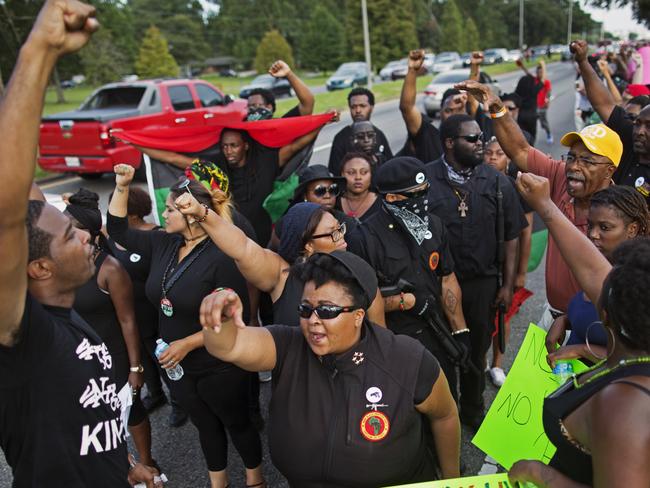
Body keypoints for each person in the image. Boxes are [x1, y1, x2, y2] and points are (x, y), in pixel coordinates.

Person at [0, 1, 156, 486]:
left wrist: (126, 468)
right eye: (70, 234)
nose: (86, 234)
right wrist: (40, 52)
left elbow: (26, 200)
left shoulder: (69, 319)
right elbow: (8, 211)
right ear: (38, 268)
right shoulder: (25, 335)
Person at [197, 251, 461, 486]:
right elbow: (229, 347)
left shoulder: (407, 361)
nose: (313, 321)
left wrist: (452, 481)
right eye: (305, 309)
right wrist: (220, 316)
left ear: (359, 316)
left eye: (326, 310)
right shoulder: (287, 346)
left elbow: (445, 415)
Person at [107, 165, 264, 488]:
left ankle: (255, 480)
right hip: (178, 366)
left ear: (191, 214)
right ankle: (218, 483)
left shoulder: (221, 255)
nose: (163, 214)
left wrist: (187, 344)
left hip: (218, 364)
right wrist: (122, 186)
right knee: (205, 426)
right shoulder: (164, 244)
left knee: (238, 424)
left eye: (170, 209)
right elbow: (118, 230)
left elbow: (237, 316)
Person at [509, 173, 650, 488]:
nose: (596, 284)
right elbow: (589, 267)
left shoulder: (626, 403)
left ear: (609, 314)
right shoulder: (631, 361)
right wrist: (545, 205)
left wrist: (543, 474)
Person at [456, 80, 622, 323]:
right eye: (572, 157)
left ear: (609, 171)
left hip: (596, 325)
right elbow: (520, 150)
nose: (574, 166)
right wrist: (498, 109)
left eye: (587, 161)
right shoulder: (559, 176)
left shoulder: (623, 213)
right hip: (552, 316)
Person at [424, 114, 527, 428]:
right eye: (471, 138)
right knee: (439, 352)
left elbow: (512, 235)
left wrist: (508, 285)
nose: (480, 142)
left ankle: (472, 408)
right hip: (439, 283)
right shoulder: (426, 179)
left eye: (480, 136)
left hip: (483, 282)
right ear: (450, 143)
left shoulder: (496, 181)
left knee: (476, 349)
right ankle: (443, 414)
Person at [347, 157, 469, 399]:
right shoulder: (365, 238)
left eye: (426, 191)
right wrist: (406, 302)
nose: (424, 198)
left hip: (436, 331)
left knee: (446, 401)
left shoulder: (434, 225)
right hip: (395, 340)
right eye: (416, 194)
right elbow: (359, 300)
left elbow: (447, 278)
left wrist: (460, 330)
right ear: (392, 198)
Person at [170, 193, 385, 328]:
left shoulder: (359, 272)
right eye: (332, 233)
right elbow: (242, 247)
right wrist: (201, 212)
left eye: (341, 229)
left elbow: (380, 334)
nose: (342, 238)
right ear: (308, 244)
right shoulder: (281, 274)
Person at [65, 188, 155, 467]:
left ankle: (147, 461)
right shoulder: (64, 266)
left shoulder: (110, 269)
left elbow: (128, 320)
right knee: (94, 415)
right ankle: (119, 464)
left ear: (88, 234)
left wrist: (136, 368)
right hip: (81, 355)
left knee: (132, 413)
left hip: (113, 354)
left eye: (69, 228)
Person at [134, 127, 321, 245]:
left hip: (266, 240)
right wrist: (133, 141)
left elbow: (296, 146)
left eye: (234, 145)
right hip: (230, 239)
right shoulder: (215, 169)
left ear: (245, 146)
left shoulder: (266, 161)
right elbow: (174, 159)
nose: (228, 151)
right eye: (224, 146)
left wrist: (322, 123)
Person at [105, 187, 188, 426]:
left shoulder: (157, 236)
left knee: (162, 357)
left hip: (154, 311)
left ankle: (179, 403)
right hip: (130, 312)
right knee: (141, 355)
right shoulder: (114, 238)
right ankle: (156, 393)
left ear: (132, 213)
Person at [545, 186, 650, 366]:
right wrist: (565, 319)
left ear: (632, 229)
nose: (593, 234)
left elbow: (639, 359)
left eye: (604, 227)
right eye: (590, 225)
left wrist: (582, 350)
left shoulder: (638, 282)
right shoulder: (596, 266)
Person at [572, 39, 650, 206]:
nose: (640, 131)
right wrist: (583, 61)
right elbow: (604, 104)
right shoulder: (629, 136)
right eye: (638, 123)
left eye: (648, 127)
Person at [483, 137, 534, 386]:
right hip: (483, 262)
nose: (492, 157)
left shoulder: (517, 187)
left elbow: (525, 232)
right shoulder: (476, 183)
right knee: (481, 316)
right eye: (488, 152)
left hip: (508, 264)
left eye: (499, 153)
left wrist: (520, 273)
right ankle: (479, 360)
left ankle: (497, 364)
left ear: (509, 159)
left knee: (503, 316)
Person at [328, 87, 393, 175]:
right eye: (353, 107)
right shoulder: (340, 138)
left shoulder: (379, 134)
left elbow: (390, 165)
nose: (358, 111)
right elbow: (334, 172)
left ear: (372, 107)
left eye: (362, 106)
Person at [399, 49, 443, 163]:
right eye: (449, 110)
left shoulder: (472, 140)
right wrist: (412, 70)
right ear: (441, 112)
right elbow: (407, 107)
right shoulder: (433, 139)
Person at [245, 59, 314, 120]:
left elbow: (308, 103)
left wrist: (289, 74)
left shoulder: (282, 124)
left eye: (255, 105)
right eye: (249, 107)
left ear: (269, 107)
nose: (251, 110)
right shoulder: (242, 128)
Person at [516, 60, 553, 144]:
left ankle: (549, 134)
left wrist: (548, 101)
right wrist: (522, 66)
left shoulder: (546, 82)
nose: (539, 74)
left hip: (542, 106)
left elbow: (548, 92)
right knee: (528, 129)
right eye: (538, 72)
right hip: (534, 109)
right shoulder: (534, 80)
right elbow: (528, 73)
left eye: (541, 72)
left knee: (543, 123)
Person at [339, 152, 382, 221]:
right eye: (351, 172)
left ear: (371, 174)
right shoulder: (333, 202)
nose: (358, 177)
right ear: (342, 174)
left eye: (364, 172)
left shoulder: (383, 204)